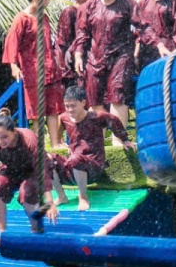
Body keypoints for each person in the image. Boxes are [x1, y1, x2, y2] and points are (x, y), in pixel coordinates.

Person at [0, 108, 57, 241]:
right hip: (10, 170)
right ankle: (2, 233)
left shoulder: (29, 140)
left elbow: (42, 171)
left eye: (4, 137)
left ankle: (36, 229)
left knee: (26, 190)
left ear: (14, 131)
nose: (0, 141)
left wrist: (49, 202)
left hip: (31, 171)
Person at [76, 0, 138, 126]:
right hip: (95, 57)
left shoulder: (128, 4)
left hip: (121, 56)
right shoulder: (88, 6)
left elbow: (142, 28)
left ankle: (119, 140)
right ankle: (99, 142)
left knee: (117, 96)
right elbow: (82, 32)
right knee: (95, 99)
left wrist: (139, 50)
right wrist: (78, 54)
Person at [54, 84, 126, 213]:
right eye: (67, 106)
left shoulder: (97, 117)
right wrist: (59, 141)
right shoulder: (64, 118)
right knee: (48, 160)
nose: (70, 109)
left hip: (94, 168)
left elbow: (114, 121)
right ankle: (61, 196)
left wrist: (125, 140)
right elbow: (59, 130)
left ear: (83, 103)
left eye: (73, 105)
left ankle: (83, 196)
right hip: (74, 168)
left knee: (76, 159)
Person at [1, 0, 64, 125]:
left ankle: (55, 142)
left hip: (50, 67)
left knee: (54, 108)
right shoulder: (21, 19)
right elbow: (12, 42)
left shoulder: (44, 17)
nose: (47, 2)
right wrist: (13, 65)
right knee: (37, 112)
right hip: (32, 69)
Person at [56, 0, 95, 94]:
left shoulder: (99, 9)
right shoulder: (70, 12)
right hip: (73, 67)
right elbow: (62, 43)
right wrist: (65, 71)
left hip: (93, 62)